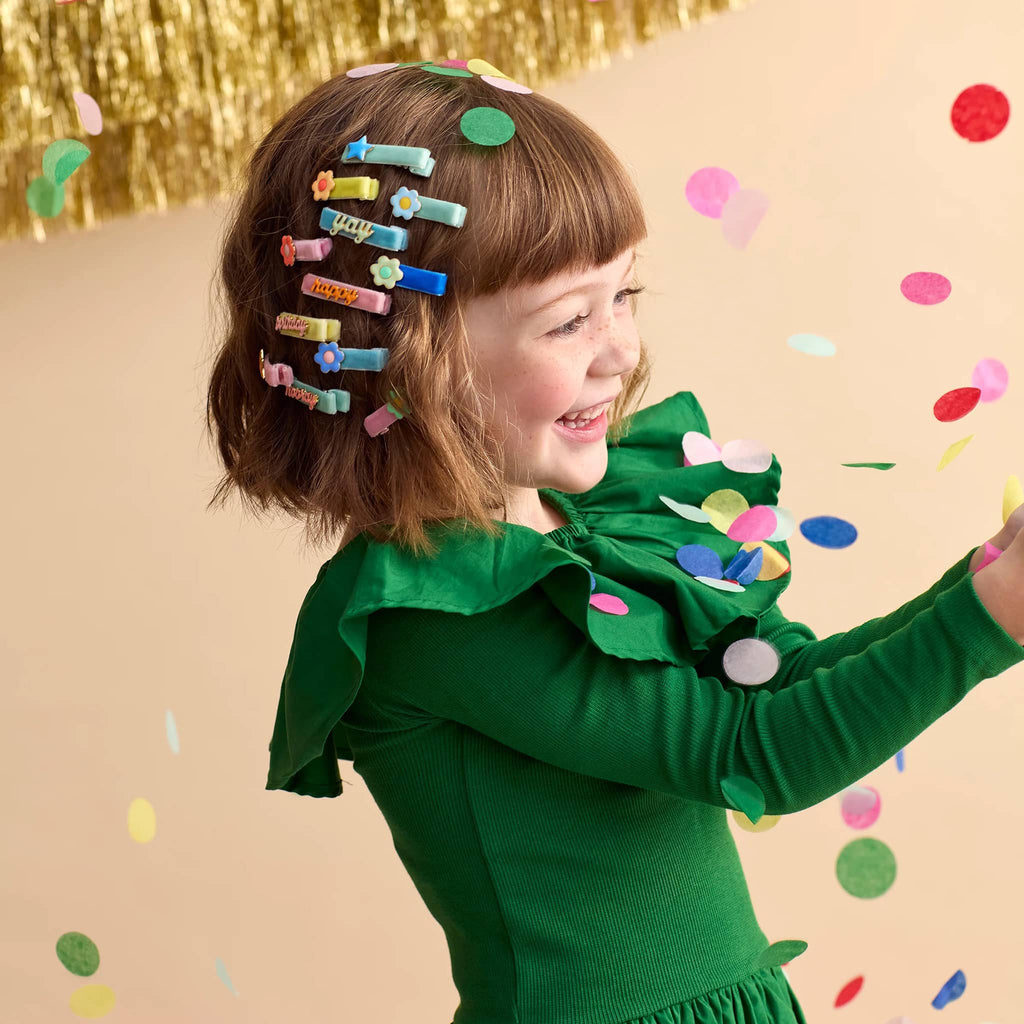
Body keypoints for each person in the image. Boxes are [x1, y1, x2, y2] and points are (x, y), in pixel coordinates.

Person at [204, 59, 1024, 1024]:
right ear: (416, 362)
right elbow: (764, 752)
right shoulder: (434, 610)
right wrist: (987, 620)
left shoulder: (583, 525)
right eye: (568, 321)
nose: (621, 350)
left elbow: (777, 683)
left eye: (625, 296)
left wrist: (983, 577)